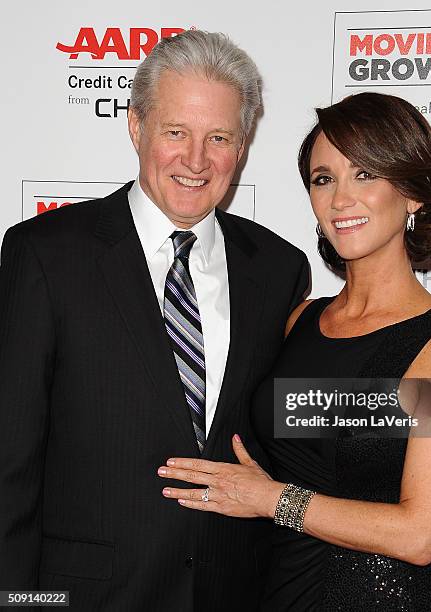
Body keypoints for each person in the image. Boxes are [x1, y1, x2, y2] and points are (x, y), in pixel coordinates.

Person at [0, 31, 309, 611]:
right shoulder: (45, 254)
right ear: (136, 127)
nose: (196, 160)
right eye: (176, 132)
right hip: (85, 596)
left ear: (241, 146)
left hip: (232, 594)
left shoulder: (277, 268)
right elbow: (8, 458)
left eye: (218, 137)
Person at [158, 92, 431, 611]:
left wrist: (272, 500)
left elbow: (420, 535)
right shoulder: (299, 320)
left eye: (365, 175)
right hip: (277, 591)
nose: (340, 199)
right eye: (323, 179)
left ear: (413, 194)